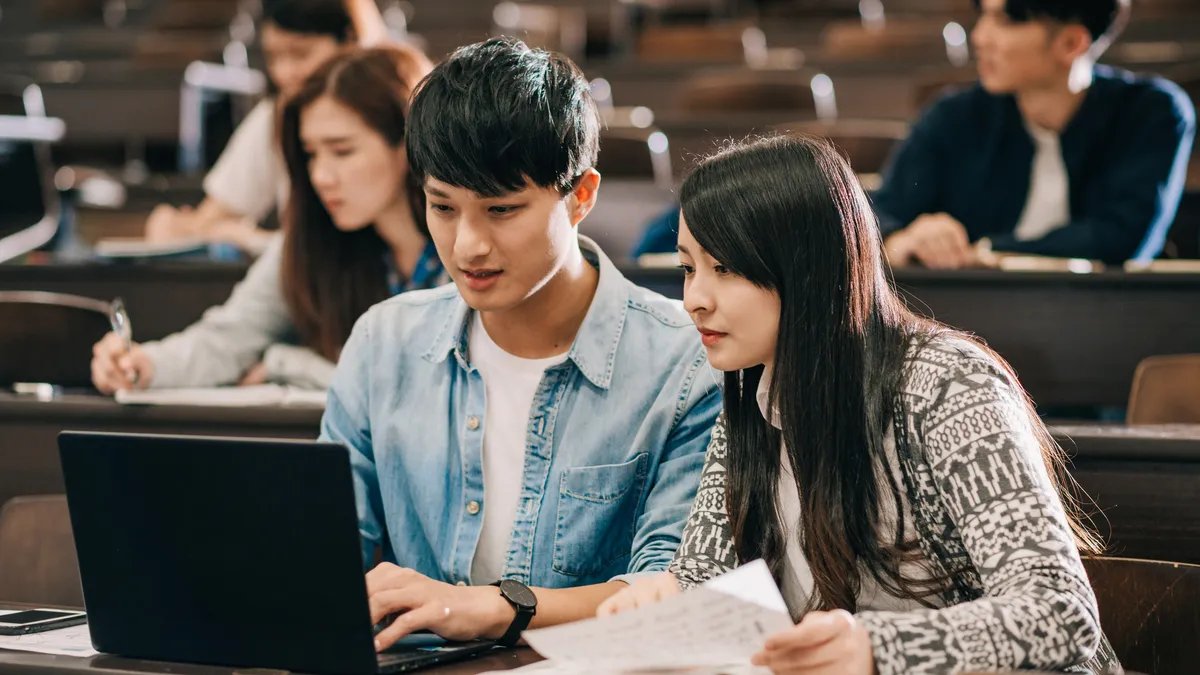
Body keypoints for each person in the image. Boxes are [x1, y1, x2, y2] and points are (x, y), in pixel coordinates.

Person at [597, 135, 1120, 675]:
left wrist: (875, 647)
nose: (694, 299)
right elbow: (706, 576)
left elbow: (1060, 614)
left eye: (724, 269)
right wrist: (665, 599)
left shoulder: (949, 386)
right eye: (688, 269)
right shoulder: (752, 393)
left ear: (807, 268)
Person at [319, 37, 721, 650]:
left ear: (581, 196)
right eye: (442, 207)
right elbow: (322, 553)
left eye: (501, 210)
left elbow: (671, 588)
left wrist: (497, 609)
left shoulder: (686, 363)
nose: (467, 246)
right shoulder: (384, 342)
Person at [90, 45, 445, 393]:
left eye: (342, 151)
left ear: (406, 145)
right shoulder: (309, 243)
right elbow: (228, 339)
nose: (320, 175)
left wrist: (284, 363)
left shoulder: (467, 245)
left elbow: (425, 387)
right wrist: (142, 364)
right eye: (310, 154)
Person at [875, 0, 1195, 268]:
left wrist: (985, 251)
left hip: (1103, 323)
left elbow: (1120, 239)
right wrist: (903, 239)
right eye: (983, 16)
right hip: (964, 323)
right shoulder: (954, 114)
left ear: (1071, 43)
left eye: (1005, 22)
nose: (980, 37)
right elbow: (878, 215)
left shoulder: (1152, 112)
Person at [144, 0, 352, 252]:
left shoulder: (377, 112)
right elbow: (214, 217)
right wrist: (181, 228)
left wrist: (250, 239)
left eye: (301, 53)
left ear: (348, 41)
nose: (284, 72)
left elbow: (336, 254)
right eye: (274, 57)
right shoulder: (275, 115)